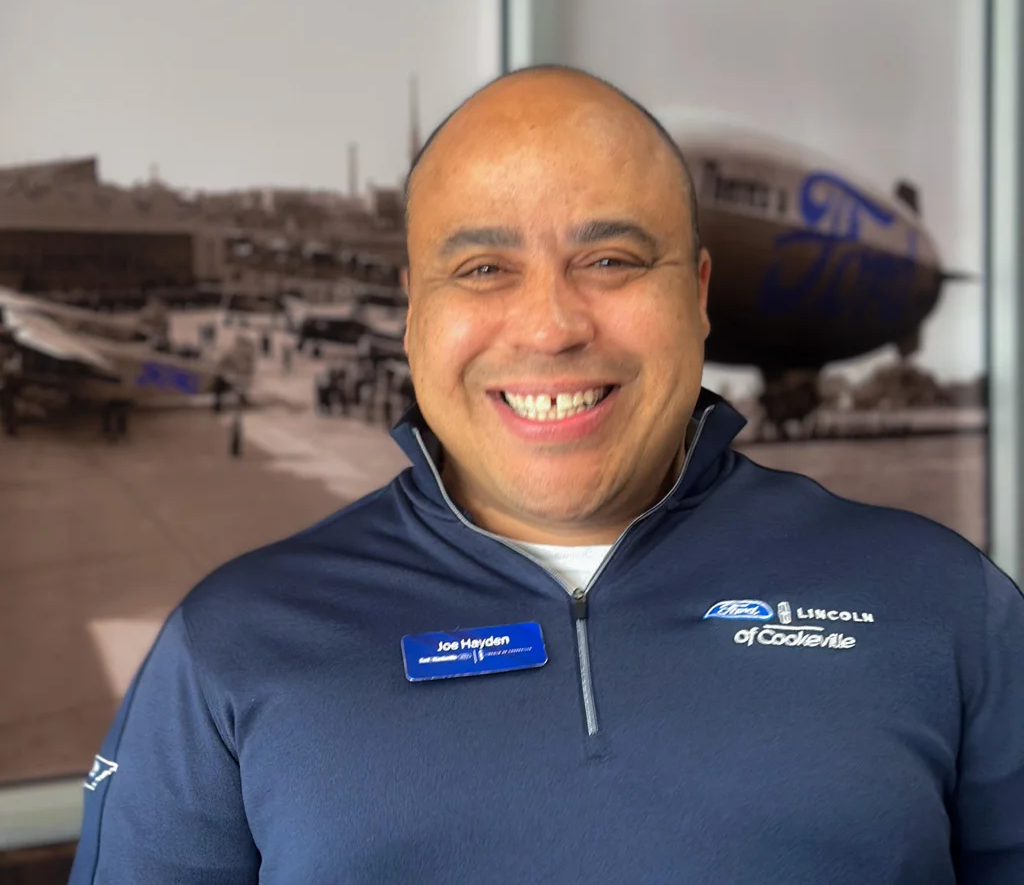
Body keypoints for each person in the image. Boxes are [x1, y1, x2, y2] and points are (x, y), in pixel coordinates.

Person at [69, 66, 1024, 884]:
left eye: (609, 258)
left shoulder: (946, 606)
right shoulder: (229, 644)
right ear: (412, 310)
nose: (550, 326)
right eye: (484, 268)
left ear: (696, 295)